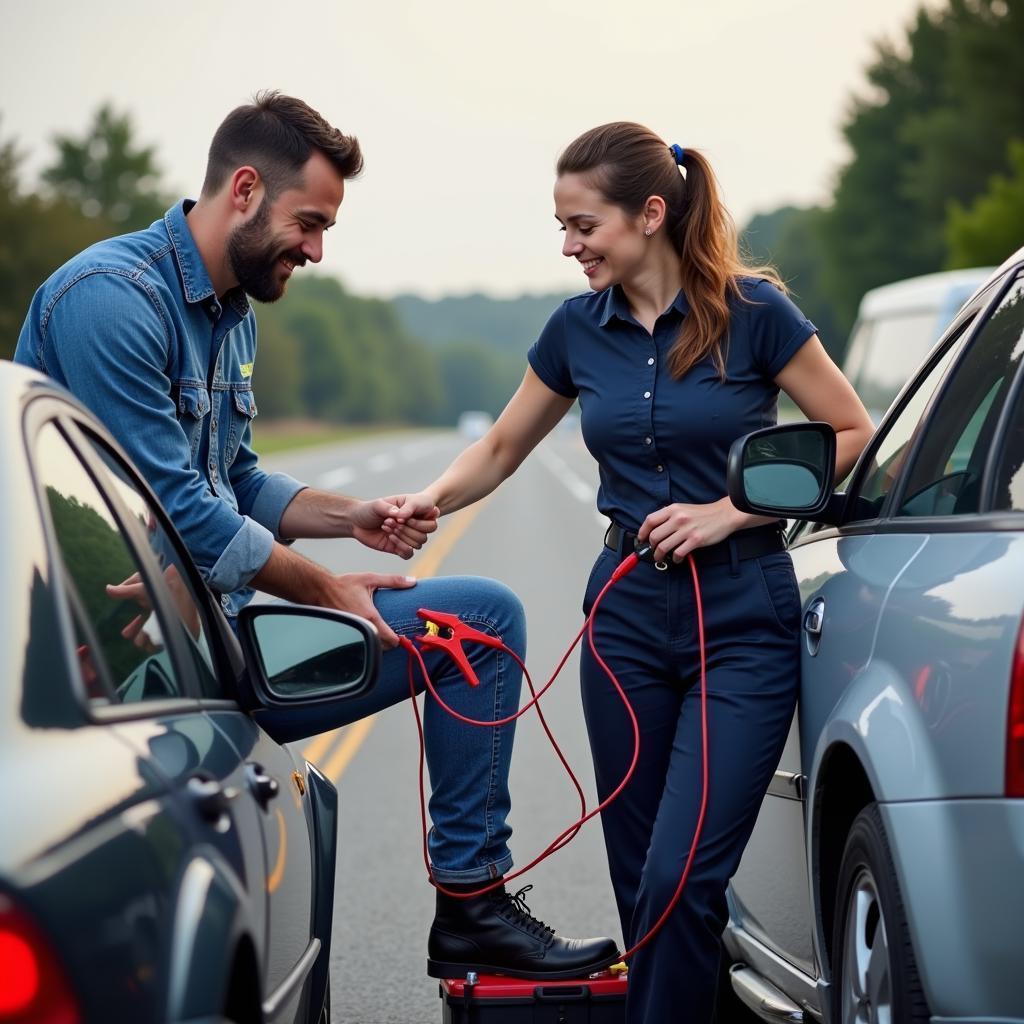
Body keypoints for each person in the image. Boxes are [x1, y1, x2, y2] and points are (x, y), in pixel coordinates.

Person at [14, 91, 618, 981]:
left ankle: (471, 904)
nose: (316, 249)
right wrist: (328, 589)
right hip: (123, 661)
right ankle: (474, 909)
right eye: (309, 223)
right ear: (245, 190)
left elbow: (240, 479)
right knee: (478, 630)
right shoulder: (111, 301)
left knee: (480, 622)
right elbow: (176, 506)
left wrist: (353, 520)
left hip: (205, 637)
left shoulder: (231, 316)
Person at [383, 122, 875, 1020]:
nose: (569, 246)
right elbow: (498, 446)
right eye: (562, 227)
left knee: (682, 879)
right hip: (624, 624)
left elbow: (850, 430)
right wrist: (430, 501)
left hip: (741, 622)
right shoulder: (576, 328)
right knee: (640, 886)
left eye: (583, 226)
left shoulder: (754, 312)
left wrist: (734, 510)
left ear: (650, 214)